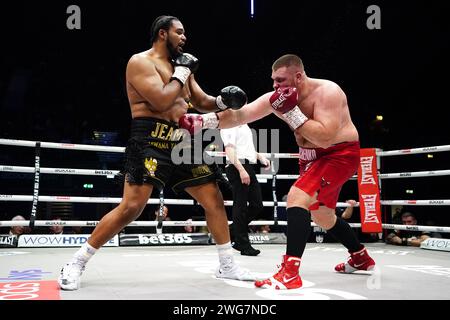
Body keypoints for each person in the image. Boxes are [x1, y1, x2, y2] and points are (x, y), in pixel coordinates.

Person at [58, 15, 255, 291]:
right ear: (163, 34)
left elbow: (199, 101)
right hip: (150, 137)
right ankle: (76, 262)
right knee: (132, 207)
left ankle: (227, 265)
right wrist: (182, 72)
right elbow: (161, 99)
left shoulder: (182, 65)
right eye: (179, 32)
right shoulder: (140, 62)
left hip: (183, 139)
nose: (184, 37)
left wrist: (223, 100)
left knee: (214, 199)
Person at [180, 54, 376, 289]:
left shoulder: (328, 92)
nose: (275, 85)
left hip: (338, 154)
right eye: (273, 80)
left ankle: (291, 272)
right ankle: (360, 257)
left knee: (297, 197)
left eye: (281, 80)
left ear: (299, 76)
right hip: (310, 157)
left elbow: (324, 138)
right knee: (322, 216)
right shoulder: (278, 97)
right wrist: (202, 122)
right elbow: (242, 115)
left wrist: (292, 112)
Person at [220, 124, 271, 256]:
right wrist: (241, 170)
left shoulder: (244, 124)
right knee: (240, 205)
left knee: (257, 205)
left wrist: (260, 157)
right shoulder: (229, 125)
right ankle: (242, 244)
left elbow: (245, 148)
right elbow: (229, 150)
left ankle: (233, 230)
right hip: (237, 166)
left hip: (248, 165)